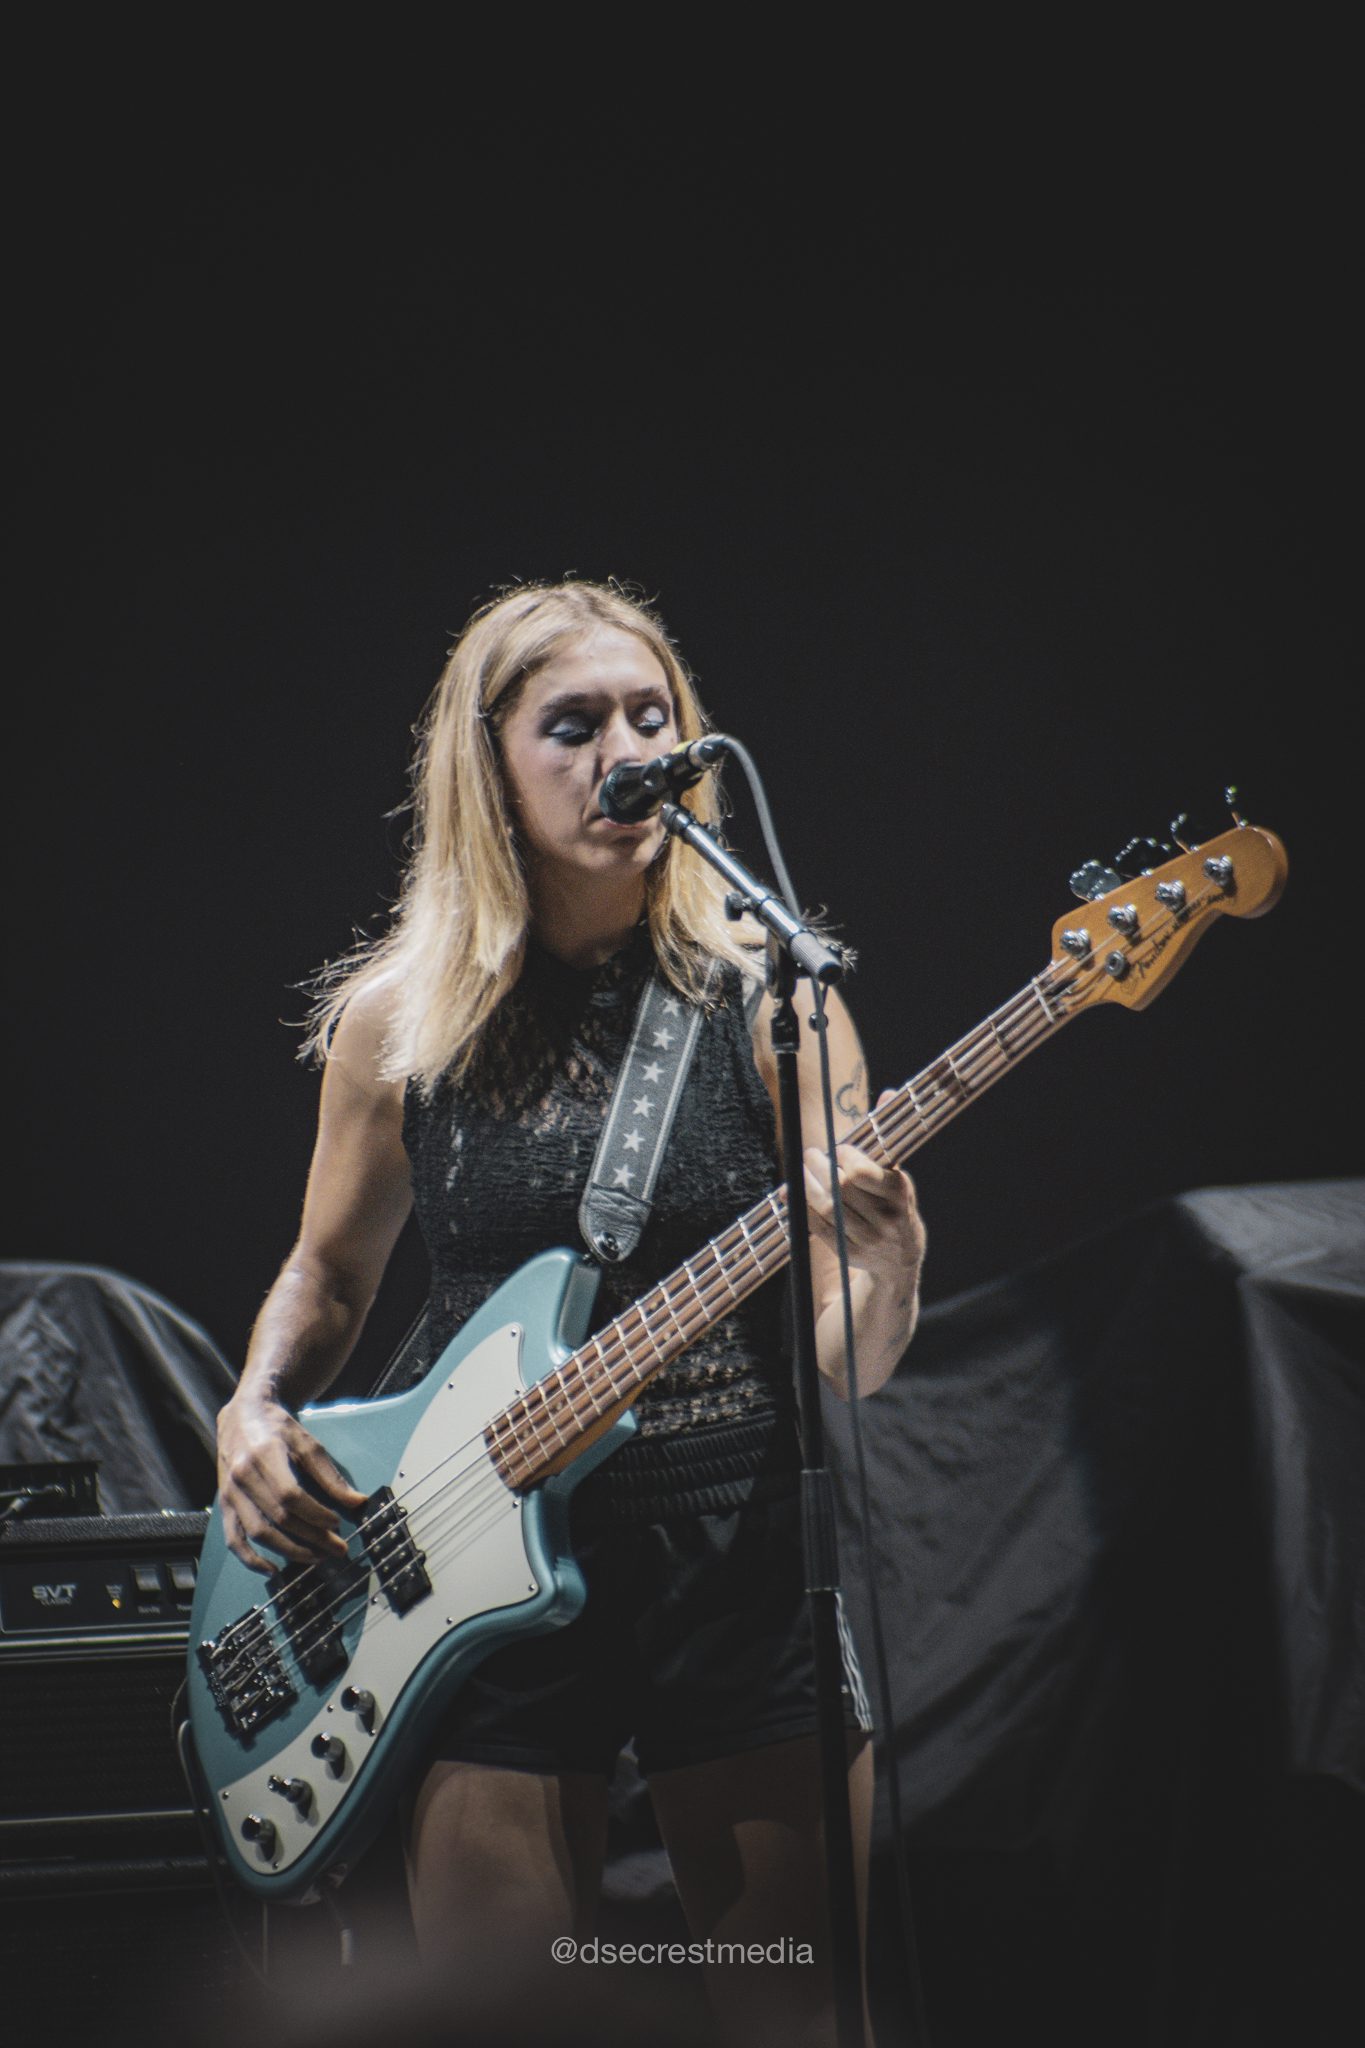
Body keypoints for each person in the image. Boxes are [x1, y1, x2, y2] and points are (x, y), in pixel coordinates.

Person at [215, 580, 926, 2047]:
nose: (626, 747)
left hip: (730, 1555)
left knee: (789, 2014)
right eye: (575, 722)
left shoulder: (771, 998)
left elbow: (841, 1362)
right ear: (489, 765)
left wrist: (887, 1261)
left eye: (652, 714)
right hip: (464, 1555)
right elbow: (328, 1274)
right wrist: (253, 1408)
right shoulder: (399, 1018)